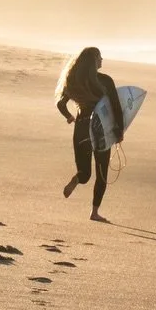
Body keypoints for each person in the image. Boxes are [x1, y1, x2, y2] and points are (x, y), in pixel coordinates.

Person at [55, 46, 123, 222]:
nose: (102, 60)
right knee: (101, 174)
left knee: (84, 173)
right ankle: (94, 212)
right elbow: (116, 107)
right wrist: (119, 131)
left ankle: (76, 180)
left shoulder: (73, 81)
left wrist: (70, 117)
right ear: (94, 61)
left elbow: (61, 104)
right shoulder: (105, 81)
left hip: (82, 128)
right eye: (100, 57)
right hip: (100, 130)